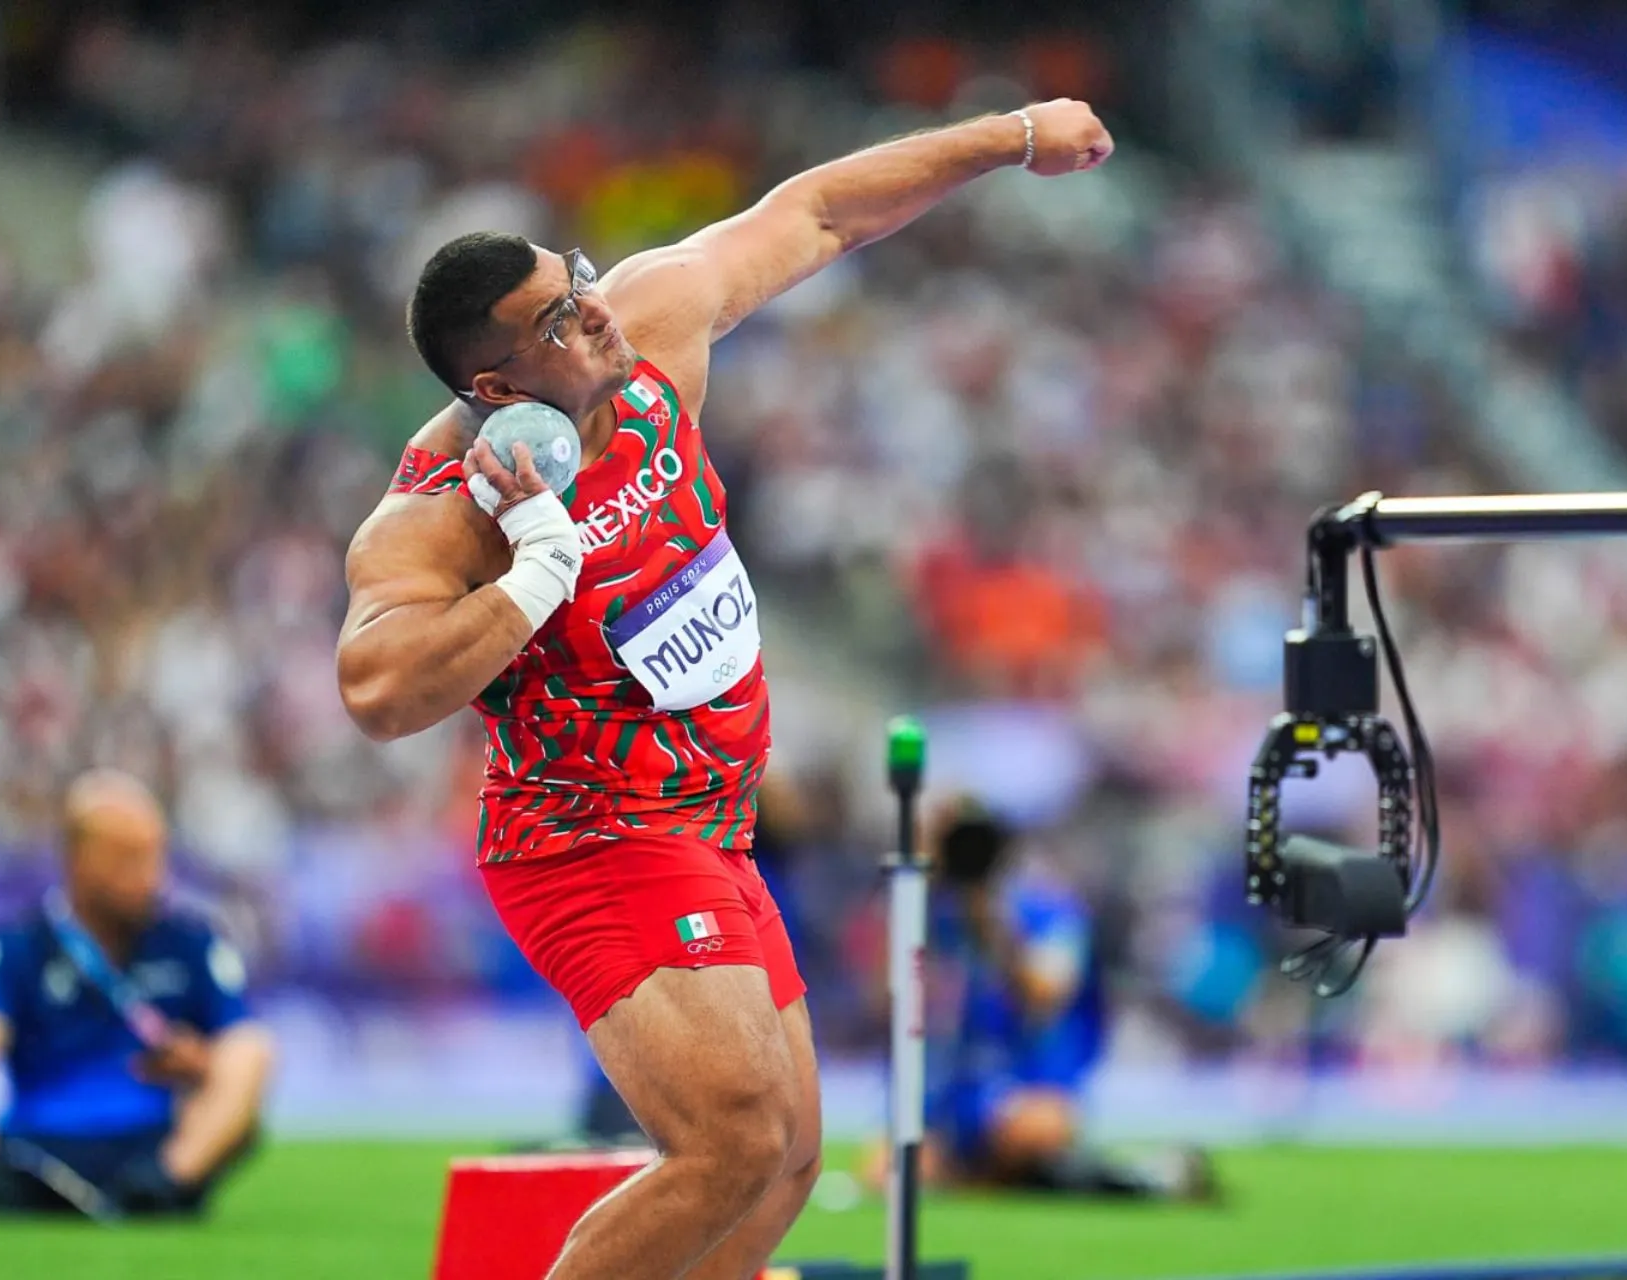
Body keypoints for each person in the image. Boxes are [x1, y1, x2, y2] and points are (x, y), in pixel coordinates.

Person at [335, 100, 1114, 1279]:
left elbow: (814, 211)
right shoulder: (441, 512)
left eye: (578, 276)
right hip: (591, 836)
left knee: (791, 1149)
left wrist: (1011, 134)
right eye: (558, 313)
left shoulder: (641, 338)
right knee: (730, 1140)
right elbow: (378, 689)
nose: (593, 305)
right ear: (497, 386)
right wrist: (537, 571)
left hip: (712, 824)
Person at [0, 770, 275, 1218]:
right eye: (131, 860)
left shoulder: (192, 943)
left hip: (158, 1140)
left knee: (253, 1050)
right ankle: (51, 1189)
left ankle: (162, 1184)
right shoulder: (17, 946)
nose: (153, 878)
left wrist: (203, 1064)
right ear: (81, 860)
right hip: (40, 1145)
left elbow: (242, 1048)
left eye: (157, 858)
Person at [901, 801, 1216, 1201]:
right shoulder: (931, 914)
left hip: (1030, 1085)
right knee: (890, 1169)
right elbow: (886, 998)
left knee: (1031, 1133)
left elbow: (1045, 994)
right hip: (955, 1095)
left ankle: (1130, 1178)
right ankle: (1117, 1178)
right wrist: (911, 887)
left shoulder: (1050, 912)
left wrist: (991, 927)